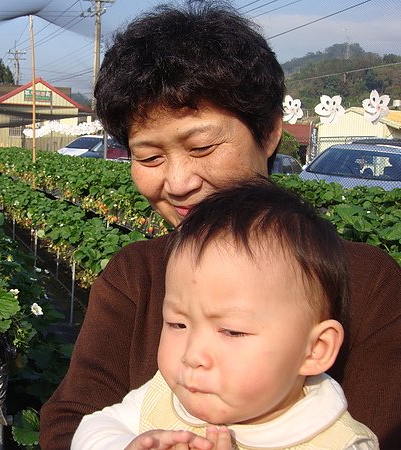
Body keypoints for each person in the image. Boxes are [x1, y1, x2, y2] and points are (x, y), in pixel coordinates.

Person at [39, 1, 401, 448]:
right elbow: (73, 419)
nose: (178, 182)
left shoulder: (367, 283)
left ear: (269, 132)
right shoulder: (136, 274)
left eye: (204, 147)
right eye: (149, 157)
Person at [71, 179, 378, 450]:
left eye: (231, 331)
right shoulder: (163, 395)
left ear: (315, 349)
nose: (192, 356)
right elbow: (94, 428)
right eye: (177, 324)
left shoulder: (340, 442)